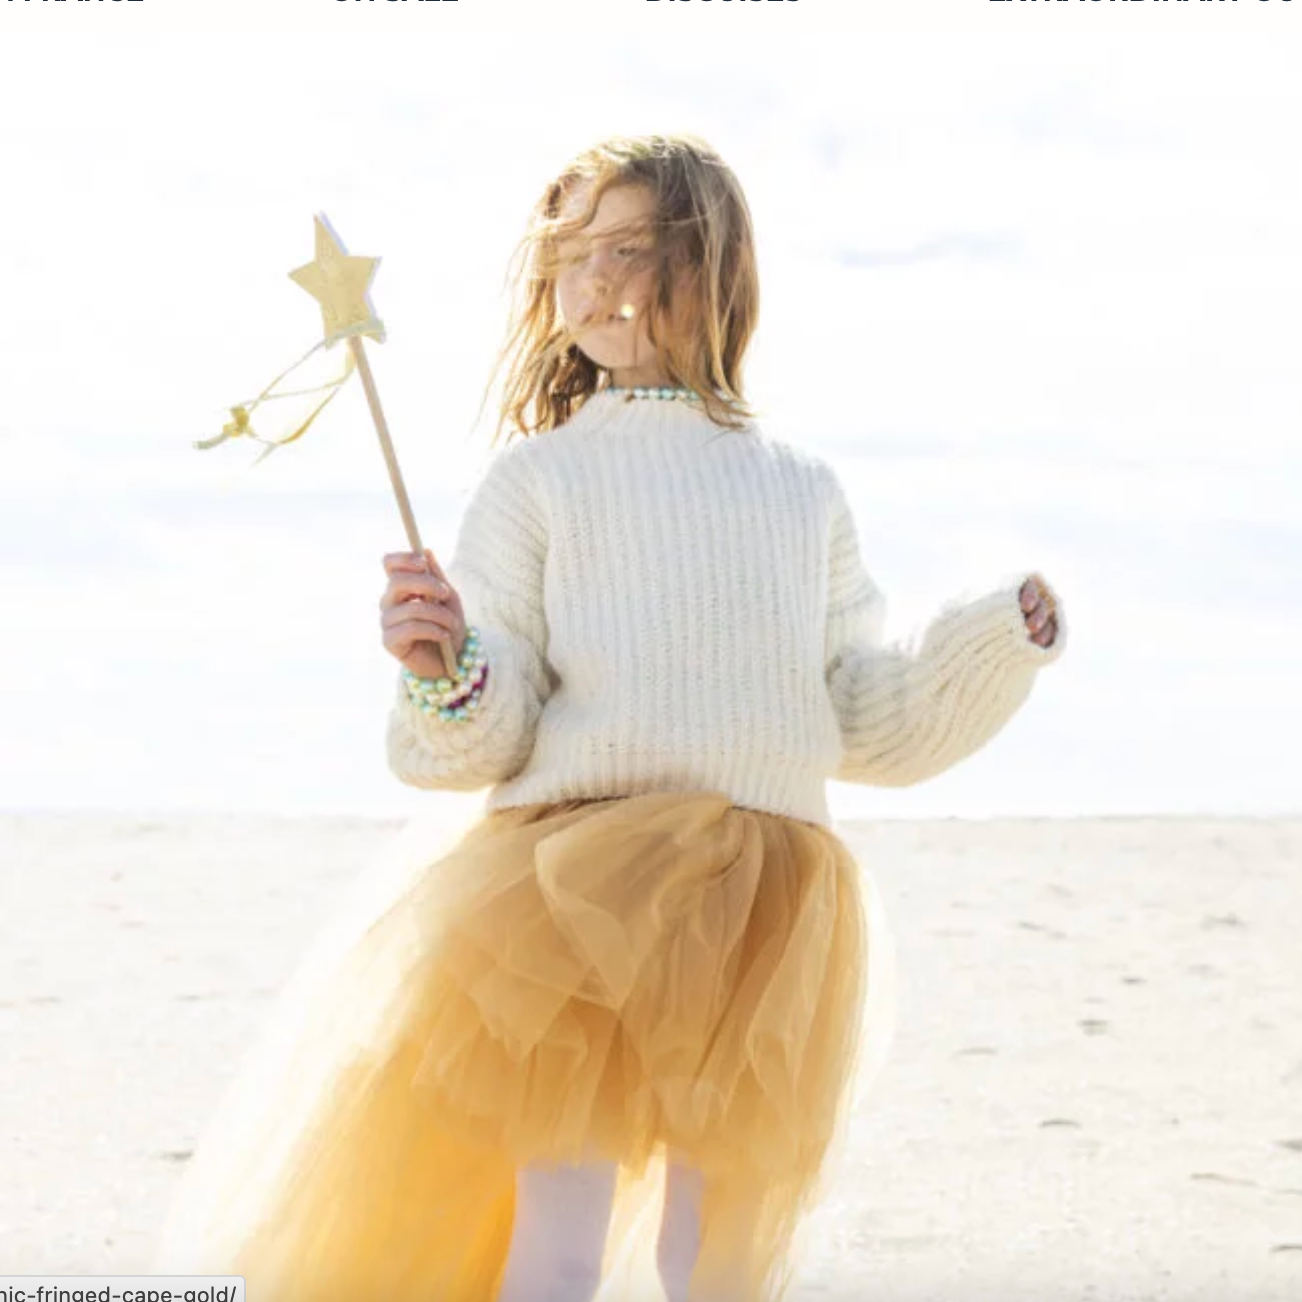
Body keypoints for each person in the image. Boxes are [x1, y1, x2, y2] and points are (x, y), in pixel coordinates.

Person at [151, 132, 1066, 1302]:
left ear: (712, 267)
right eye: (571, 255)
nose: (590, 280)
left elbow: (859, 715)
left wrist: (990, 641)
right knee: (560, 1241)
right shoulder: (536, 481)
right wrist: (450, 667)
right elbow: (496, 727)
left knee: (715, 1251)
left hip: (763, 914)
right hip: (567, 904)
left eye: (626, 249)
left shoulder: (802, 491)